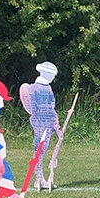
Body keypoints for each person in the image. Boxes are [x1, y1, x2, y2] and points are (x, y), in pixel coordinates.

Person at [19, 62, 61, 190]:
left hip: (43, 122)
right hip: (43, 123)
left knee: (40, 150)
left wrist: (55, 124)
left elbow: (48, 108)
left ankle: (39, 179)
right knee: (40, 151)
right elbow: (47, 107)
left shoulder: (42, 88)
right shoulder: (41, 89)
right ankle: (38, 179)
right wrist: (55, 123)